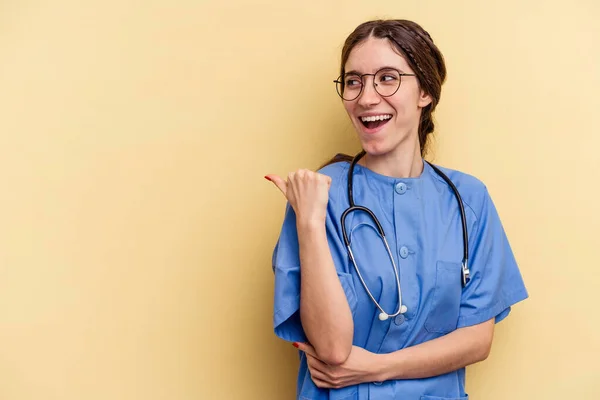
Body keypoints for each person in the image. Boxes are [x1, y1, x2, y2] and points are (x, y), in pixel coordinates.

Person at [265, 19, 528, 400]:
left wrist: (374, 367)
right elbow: (333, 349)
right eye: (353, 81)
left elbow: (477, 340)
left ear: (425, 91)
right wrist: (308, 223)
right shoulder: (319, 195)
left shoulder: (469, 200)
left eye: (387, 78)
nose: (366, 97)